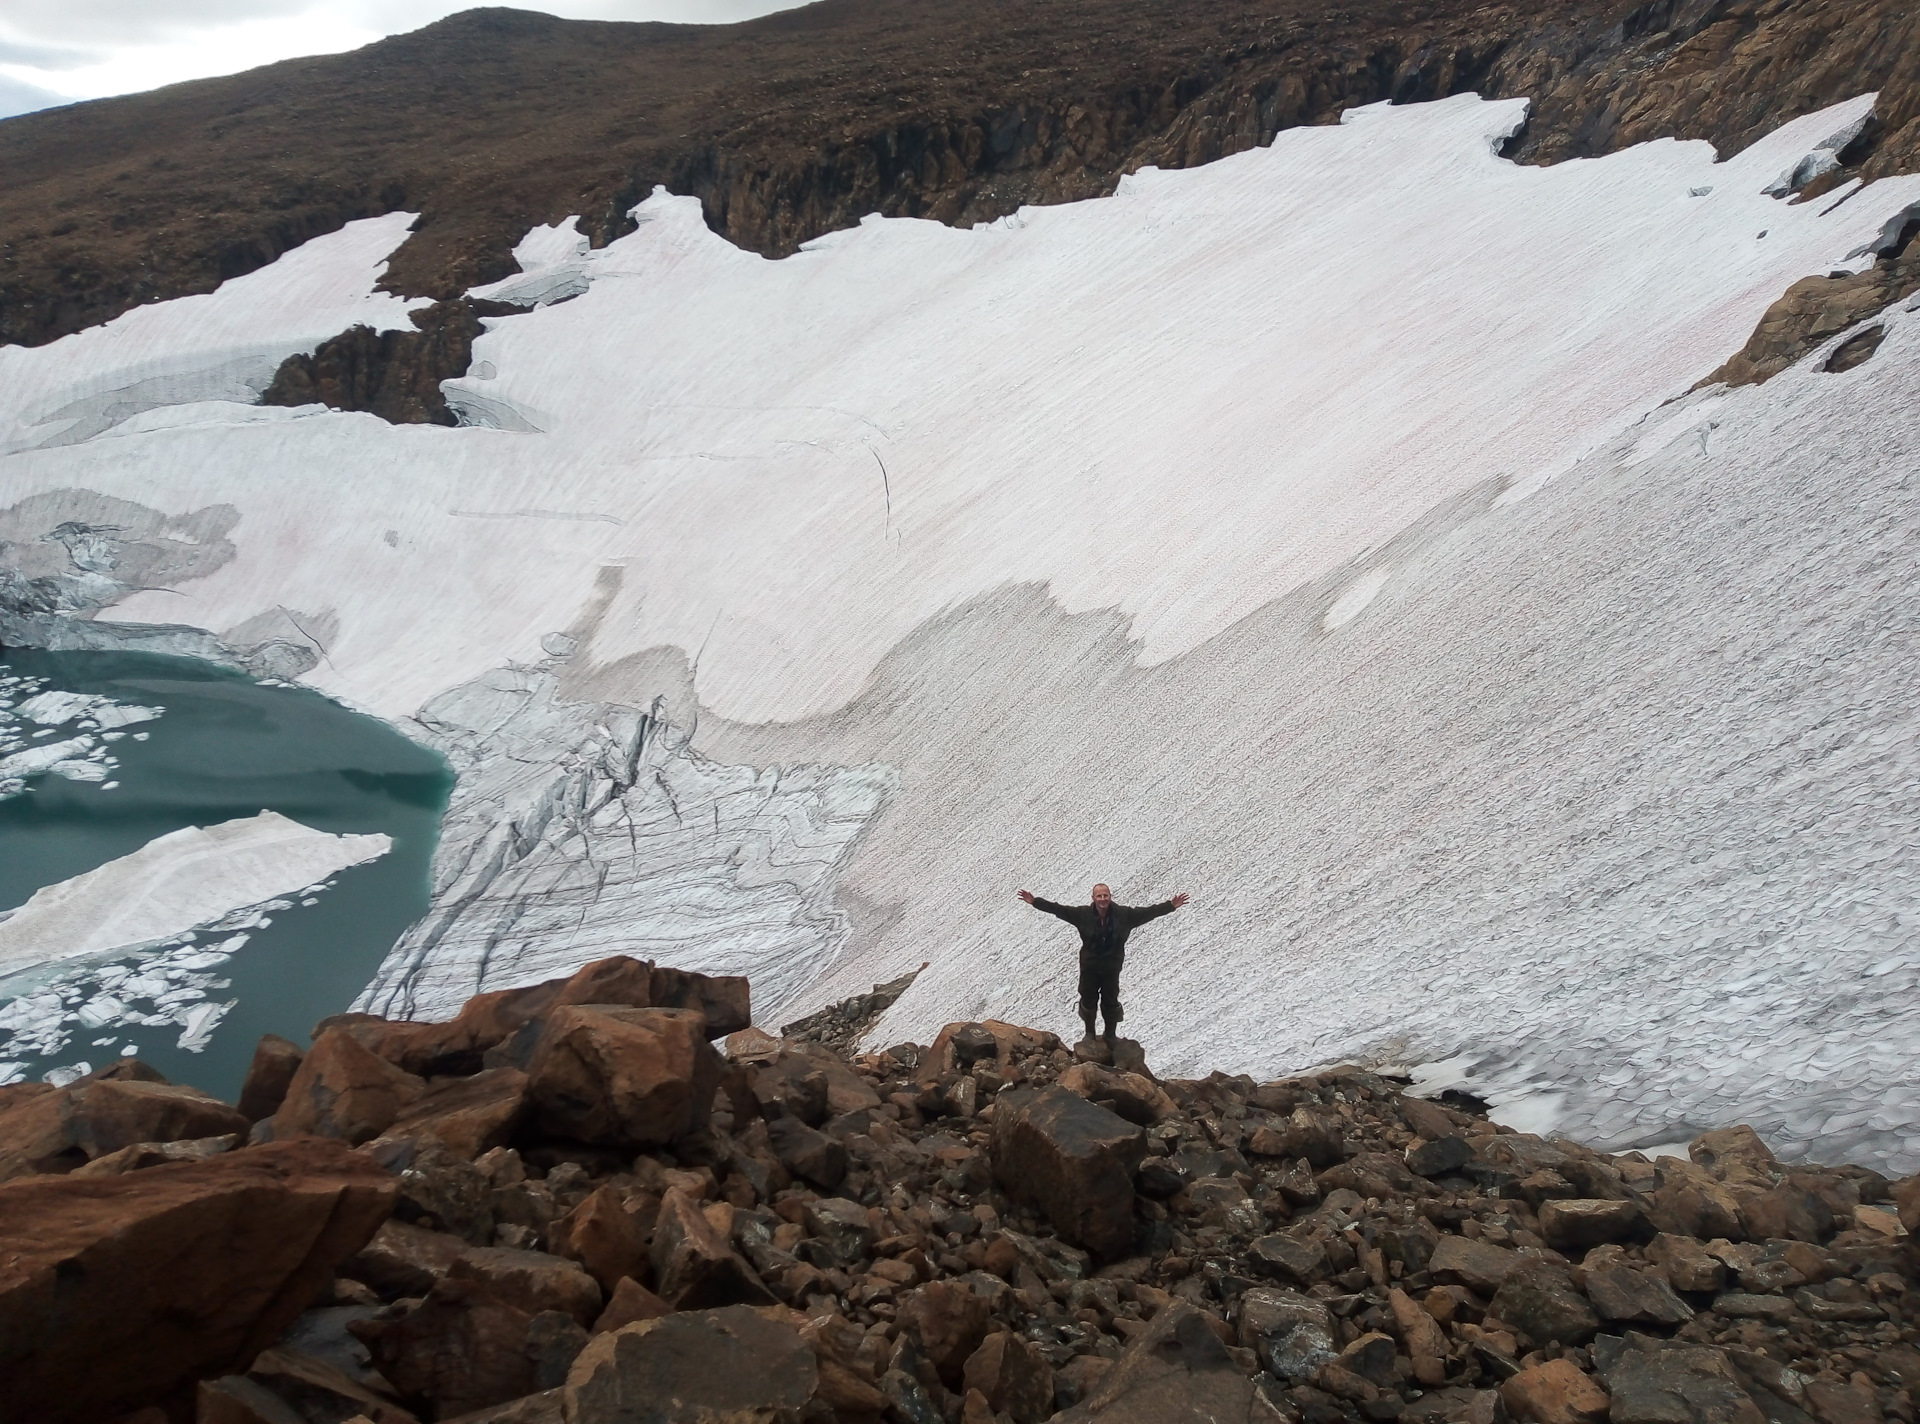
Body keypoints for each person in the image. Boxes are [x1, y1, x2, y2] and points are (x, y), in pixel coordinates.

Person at [1017, 883, 1190, 1045]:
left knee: (1111, 999)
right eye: (1099, 896)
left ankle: (1110, 1035)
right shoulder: (1082, 914)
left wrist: (1170, 906)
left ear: (1110, 896)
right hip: (1089, 967)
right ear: (1093, 898)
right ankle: (1090, 1034)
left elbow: (1149, 912)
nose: (1102, 899)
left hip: (1111, 967)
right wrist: (1035, 902)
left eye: (1105, 895)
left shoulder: (1125, 915)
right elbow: (1058, 909)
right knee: (1087, 997)